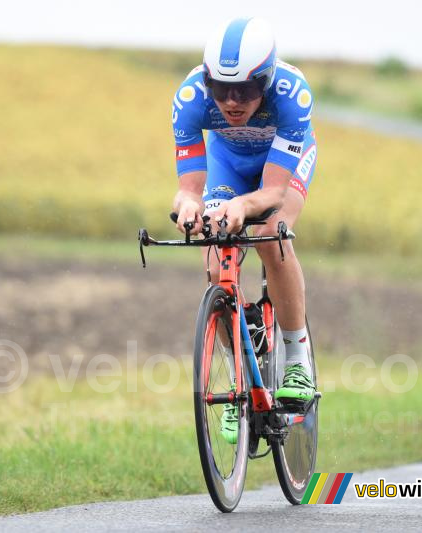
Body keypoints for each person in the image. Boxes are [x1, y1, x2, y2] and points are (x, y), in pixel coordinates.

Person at [171, 17, 317, 444]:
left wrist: (242, 205)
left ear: (267, 82)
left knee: (272, 234)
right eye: (221, 89)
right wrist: (188, 206)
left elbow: (272, 190)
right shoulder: (188, 98)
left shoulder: (294, 95)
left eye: (247, 91)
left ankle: (296, 358)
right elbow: (188, 189)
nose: (232, 102)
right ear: (206, 81)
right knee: (216, 261)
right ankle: (241, 372)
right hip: (228, 163)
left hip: (281, 165)